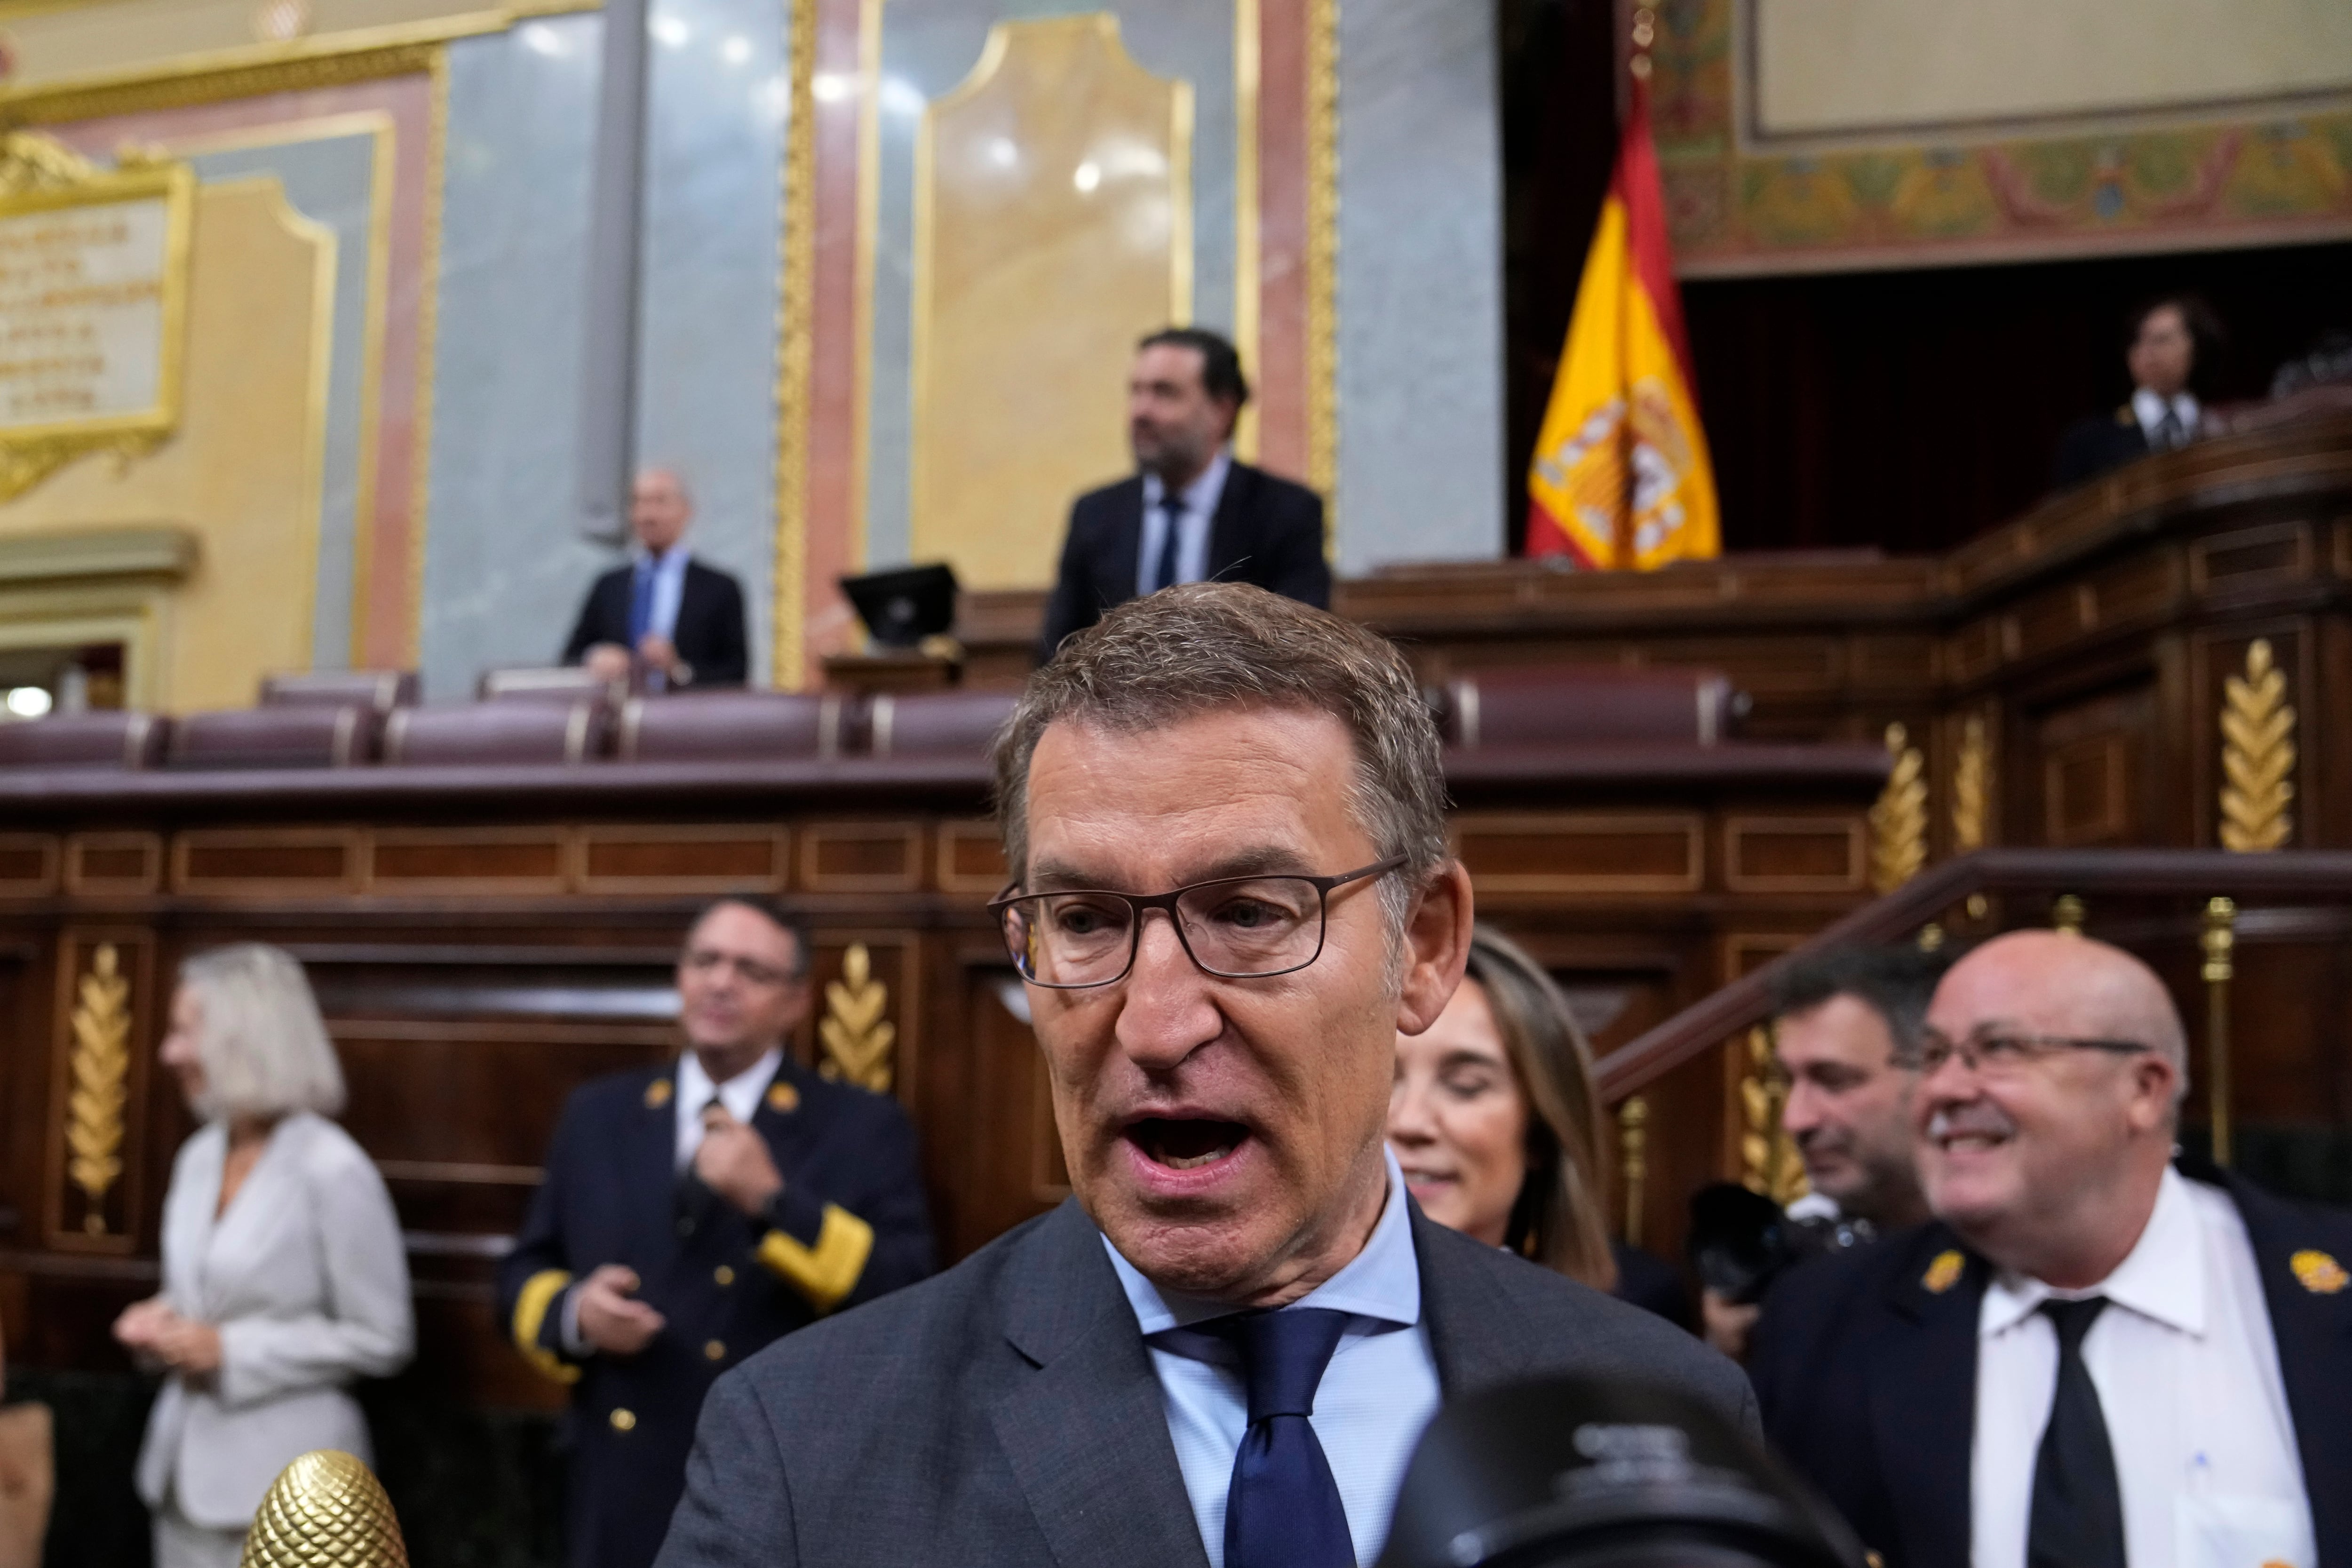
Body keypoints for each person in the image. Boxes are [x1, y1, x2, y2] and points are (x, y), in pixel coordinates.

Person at [656, 583, 1751, 1568]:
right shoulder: (802, 1449)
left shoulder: (1671, 1420)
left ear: (1420, 946)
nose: (1157, 1023)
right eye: (1083, 921)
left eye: (1248, 915)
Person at [1747, 930, 2352, 1568]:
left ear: (2143, 1089)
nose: (1945, 1090)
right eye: (1931, 1056)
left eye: (1999, 1049)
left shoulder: (2318, 1297)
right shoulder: (1826, 1322)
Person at [499, 898, 933, 1568]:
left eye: (751, 970)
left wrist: (774, 1202)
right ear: (681, 978)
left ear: (796, 1001)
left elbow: (908, 1294)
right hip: (619, 1485)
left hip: (774, 1488)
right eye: (706, 961)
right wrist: (578, 1313)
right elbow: (523, 1273)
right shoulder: (600, 1115)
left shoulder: (860, 1126)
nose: (721, 982)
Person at [114, 945, 413, 1568]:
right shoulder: (199, 1155)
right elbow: (211, 1288)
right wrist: (161, 1321)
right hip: (179, 1482)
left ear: (243, 1036)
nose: (168, 1053)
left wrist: (231, 1350)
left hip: (296, 1501)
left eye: (182, 1031)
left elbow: (384, 1336)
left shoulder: (333, 1168)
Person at [1388, 923, 1688, 1323]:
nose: (1411, 1121)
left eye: (1465, 1086)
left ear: (1540, 1134)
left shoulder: (1630, 1340)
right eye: (1381, 1081)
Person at [1700, 944, 1942, 1359]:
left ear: (1937, 1071)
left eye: (1833, 1081)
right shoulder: (1800, 1271)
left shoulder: (2026, 1258)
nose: (1796, 1119)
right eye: (1788, 1081)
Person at [1035, 328, 1331, 662]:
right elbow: (1057, 652)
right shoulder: (1096, 514)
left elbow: (1301, 648)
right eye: (1136, 392)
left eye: (1165, 393)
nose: (1141, 412)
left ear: (1222, 411)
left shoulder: (1285, 512)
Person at [562, 468, 750, 689]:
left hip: (687, 715)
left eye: (660, 502)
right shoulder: (610, 585)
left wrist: (679, 670)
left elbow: (736, 673)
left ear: (686, 511)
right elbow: (570, 658)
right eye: (639, 503)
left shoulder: (719, 588)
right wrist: (597, 658)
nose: (647, 516)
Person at [2053, 296, 2224, 487]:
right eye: (2138, 341)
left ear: (2197, 349)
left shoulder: (2223, 429)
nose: (2147, 351)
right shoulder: (2088, 442)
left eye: (2162, 340)